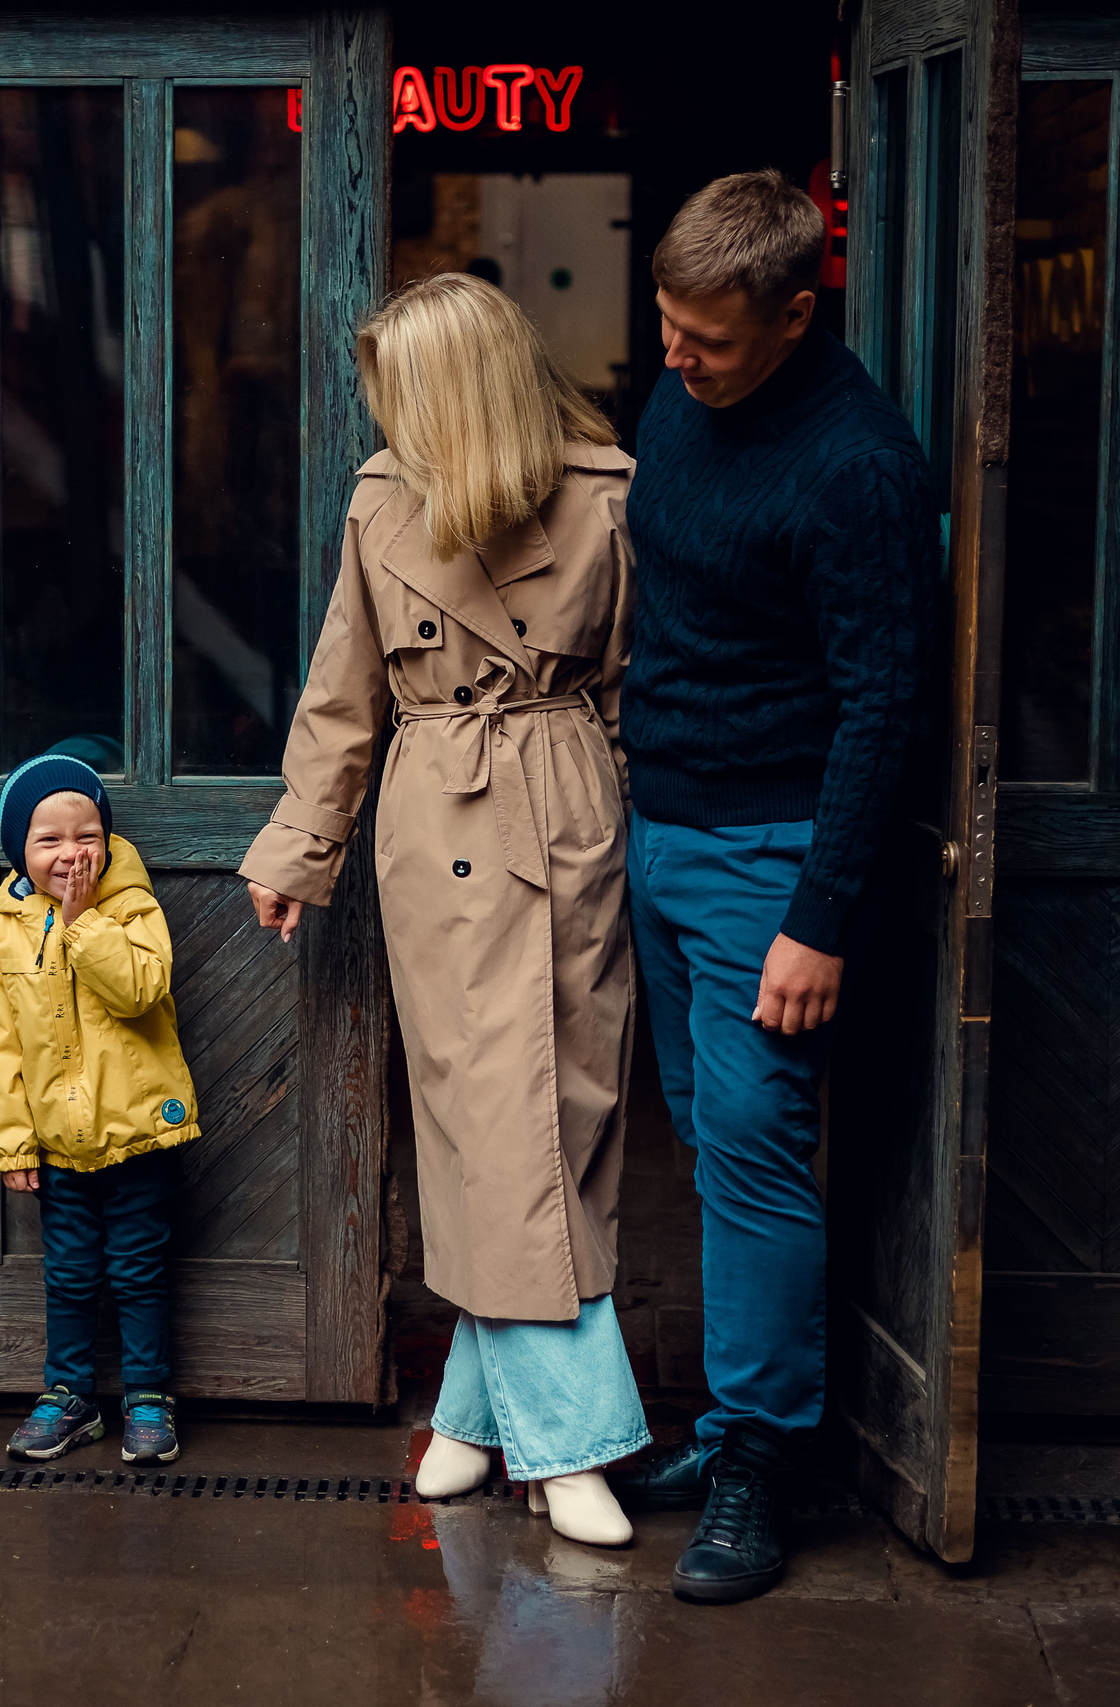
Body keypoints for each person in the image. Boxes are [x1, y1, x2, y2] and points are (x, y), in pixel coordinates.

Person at [241, 273, 646, 1548]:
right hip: (441, 831)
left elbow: (640, 687)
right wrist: (300, 844)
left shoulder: (607, 495)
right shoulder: (383, 498)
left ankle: (472, 1419)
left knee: (557, 1122)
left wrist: (628, 825)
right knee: (487, 1125)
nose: (386, 416)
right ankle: (570, 1446)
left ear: (462, 392)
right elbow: (342, 688)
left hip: (565, 813)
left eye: (404, 392)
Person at [605, 170, 941, 1603]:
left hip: (768, 854)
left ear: (797, 315)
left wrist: (818, 914)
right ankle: (736, 1423)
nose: (674, 358)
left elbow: (885, 706)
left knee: (751, 1147)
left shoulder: (858, 468)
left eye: (709, 339)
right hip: (661, 825)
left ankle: (761, 1459)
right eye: (666, 326)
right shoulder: (684, 398)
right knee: (708, 1135)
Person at [0, 753, 202, 1466]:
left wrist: (82, 922)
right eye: (49, 839)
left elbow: (140, 990)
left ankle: (148, 1396)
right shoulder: (3, 934)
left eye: (88, 836)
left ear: (108, 842)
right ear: (19, 850)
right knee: (69, 1276)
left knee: (138, 1271)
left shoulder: (131, 908)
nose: (71, 853)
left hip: (139, 1137)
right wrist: (13, 1145)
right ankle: (69, 1396)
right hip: (58, 1146)